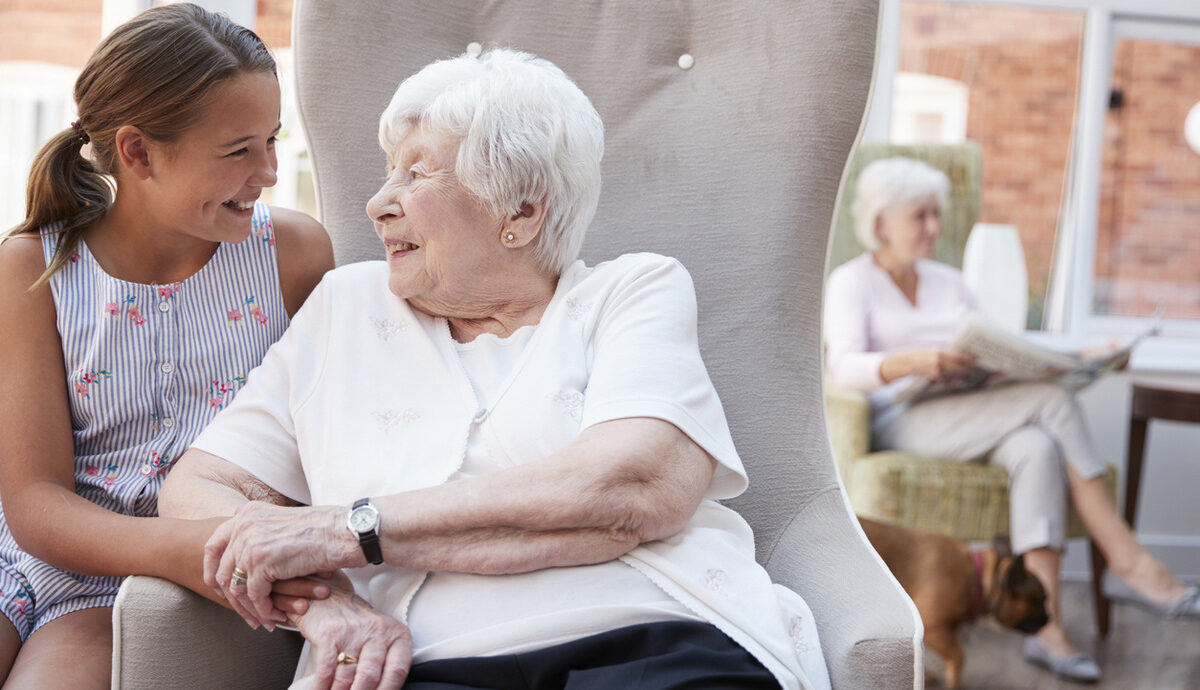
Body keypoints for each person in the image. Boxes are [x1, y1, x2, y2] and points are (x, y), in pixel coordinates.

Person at [157, 48, 832, 690]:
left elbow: (632, 487)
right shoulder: (346, 307)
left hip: (655, 633)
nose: (378, 202)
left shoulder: (628, 293)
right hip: (418, 661)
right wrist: (324, 604)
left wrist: (349, 530)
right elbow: (202, 486)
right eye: (390, 171)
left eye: (417, 173)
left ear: (521, 211)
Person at [0, 4, 334, 686]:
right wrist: (190, 545)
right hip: (30, 556)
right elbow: (34, 500)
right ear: (138, 152)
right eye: (238, 149)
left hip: (143, 582)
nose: (269, 170)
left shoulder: (295, 257)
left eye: (271, 139)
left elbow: (328, 448)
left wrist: (211, 547)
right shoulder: (31, 267)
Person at [824, 156, 1200, 683]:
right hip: (902, 417)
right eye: (921, 216)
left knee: (1036, 448)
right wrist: (916, 360)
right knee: (1051, 402)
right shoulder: (851, 282)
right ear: (881, 221)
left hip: (975, 413)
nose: (935, 227)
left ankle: (1047, 630)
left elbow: (1001, 346)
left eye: (937, 214)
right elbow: (841, 367)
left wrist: (1090, 352)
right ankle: (1127, 559)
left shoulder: (950, 283)